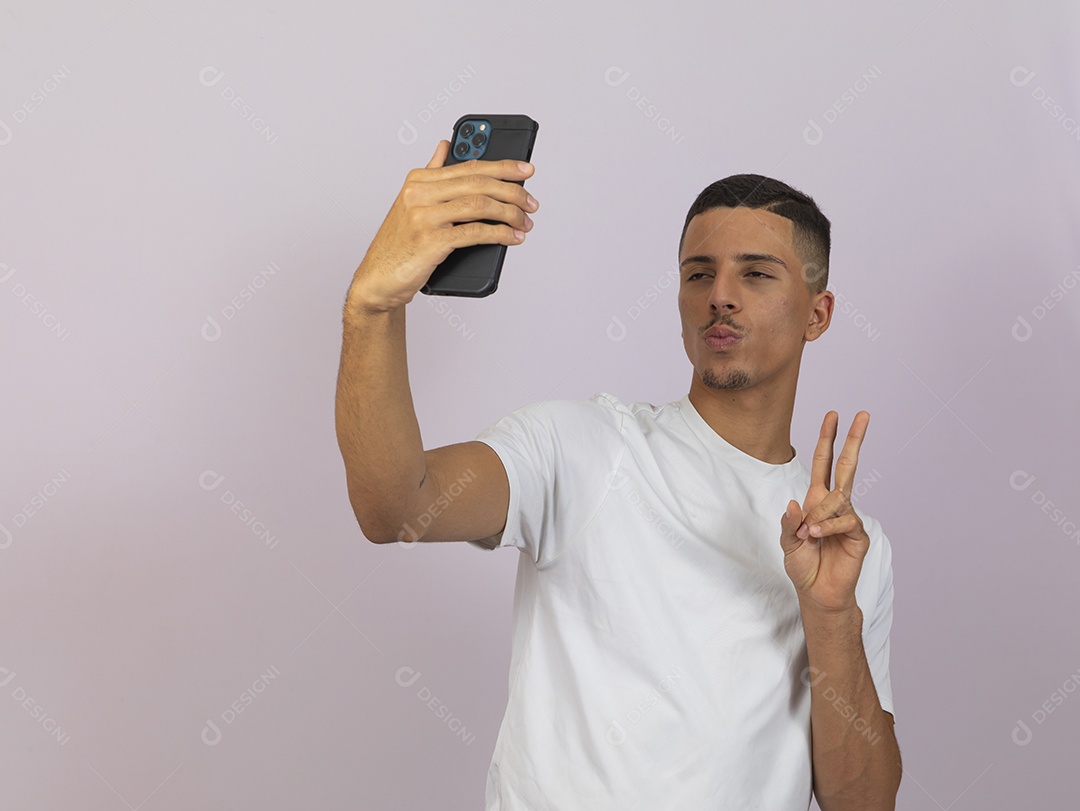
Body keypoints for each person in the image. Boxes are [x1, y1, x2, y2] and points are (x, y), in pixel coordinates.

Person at [335, 139, 902, 810]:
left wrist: (830, 614)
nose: (720, 296)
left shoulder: (848, 546)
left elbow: (862, 803)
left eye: (756, 274)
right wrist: (371, 310)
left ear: (818, 313)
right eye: (698, 273)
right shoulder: (580, 446)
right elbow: (398, 505)